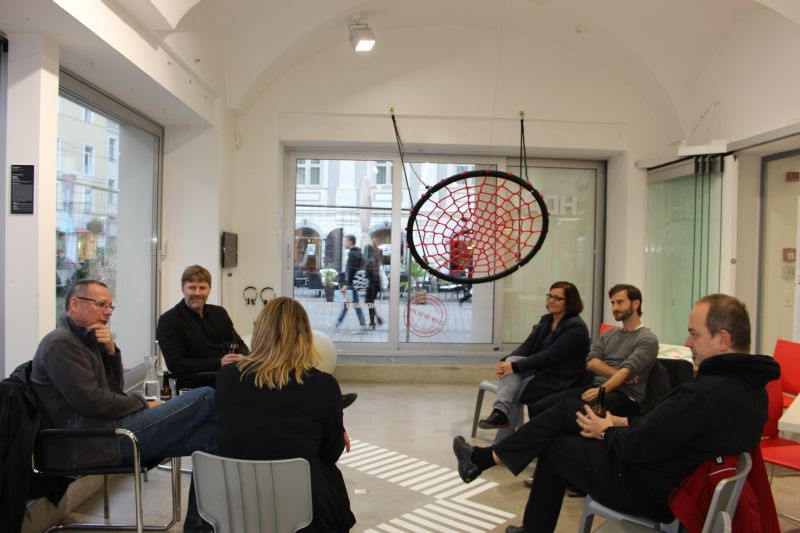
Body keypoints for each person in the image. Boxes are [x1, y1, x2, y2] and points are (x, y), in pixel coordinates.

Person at [452, 293, 780, 533]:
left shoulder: (704, 394)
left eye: (694, 334)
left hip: (651, 489)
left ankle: (487, 464)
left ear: (722, 339)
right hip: (673, 478)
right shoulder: (751, 391)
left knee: (555, 443)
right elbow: (673, 430)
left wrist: (607, 431)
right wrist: (622, 422)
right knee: (568, 413)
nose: (687, 341)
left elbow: (639, 446)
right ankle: (485, 460)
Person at [30, 280, 216, 532]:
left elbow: (114, 389)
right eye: (101, 305)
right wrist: (142, 403)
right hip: (94, 441)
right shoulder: (60, 343)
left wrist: (110, 352)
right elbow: (92, 401)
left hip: (109, 432)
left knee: (213, 438)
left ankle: (199, 527)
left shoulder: (86, 340)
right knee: (205, 396)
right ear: (74, 304)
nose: (107, 312)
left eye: (110, 306)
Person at [215, 297, 356, 532]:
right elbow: (330, 454)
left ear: (259, 333)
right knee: (326, 473)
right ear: (305, 337)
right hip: (303, 509)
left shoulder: (226, 377)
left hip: (236, 503)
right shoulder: (323, 386)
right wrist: (335, 430)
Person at [478, 281, 591, 443]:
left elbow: (550, 355)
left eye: (557, 298)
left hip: (563, 379)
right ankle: (500, 422)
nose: (551, 300)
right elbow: (527, 346)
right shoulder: (546, 321)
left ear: (570, 302)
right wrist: (505, 362)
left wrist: (514, 367)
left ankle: (500, 431)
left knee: (513, 392)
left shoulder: (576, 328)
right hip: (543, 371)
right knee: (513, 363)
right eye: (550, 296)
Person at [527, 284, 659, 419]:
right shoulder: (609, 334)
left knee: (566, 411)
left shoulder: (647, 338)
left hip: (624, 396)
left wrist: (602, 390)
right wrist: (614, 374)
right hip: (595, 387)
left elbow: (626, 372)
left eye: (620, 302)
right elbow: (591, 363)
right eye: (613, 303)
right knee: (539, 407)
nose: (615, 308)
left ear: (636, 304)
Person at [156, 265, 249, 388]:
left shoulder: (220, 313)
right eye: (192, 287)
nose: (197, 293)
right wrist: (219, 363)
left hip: (230, 381)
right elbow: (176, 364)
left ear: (209, 289)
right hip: (196, 388)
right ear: (183, 289)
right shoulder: (168, 321)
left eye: (202, 288)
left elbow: (240, 344)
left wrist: (243, 357)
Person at [334, 235, 367, 330]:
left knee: (353, 304)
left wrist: (346, 284)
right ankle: (338, 322)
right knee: (348, 304)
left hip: (351, 284)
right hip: (353, 283)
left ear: (350, 242)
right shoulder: (356, 253)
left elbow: (351, 270)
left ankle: (362, 324)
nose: (344, 243)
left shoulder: (352, 254)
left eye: (345, 241)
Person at [363, 244, 384, 330]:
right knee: (371, 303)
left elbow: (367, 274)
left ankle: (373, 322)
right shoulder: (377, 262)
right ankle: (376, 319)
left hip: (371, 287)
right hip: (376, 287)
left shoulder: (370, 261)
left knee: (370, 304)